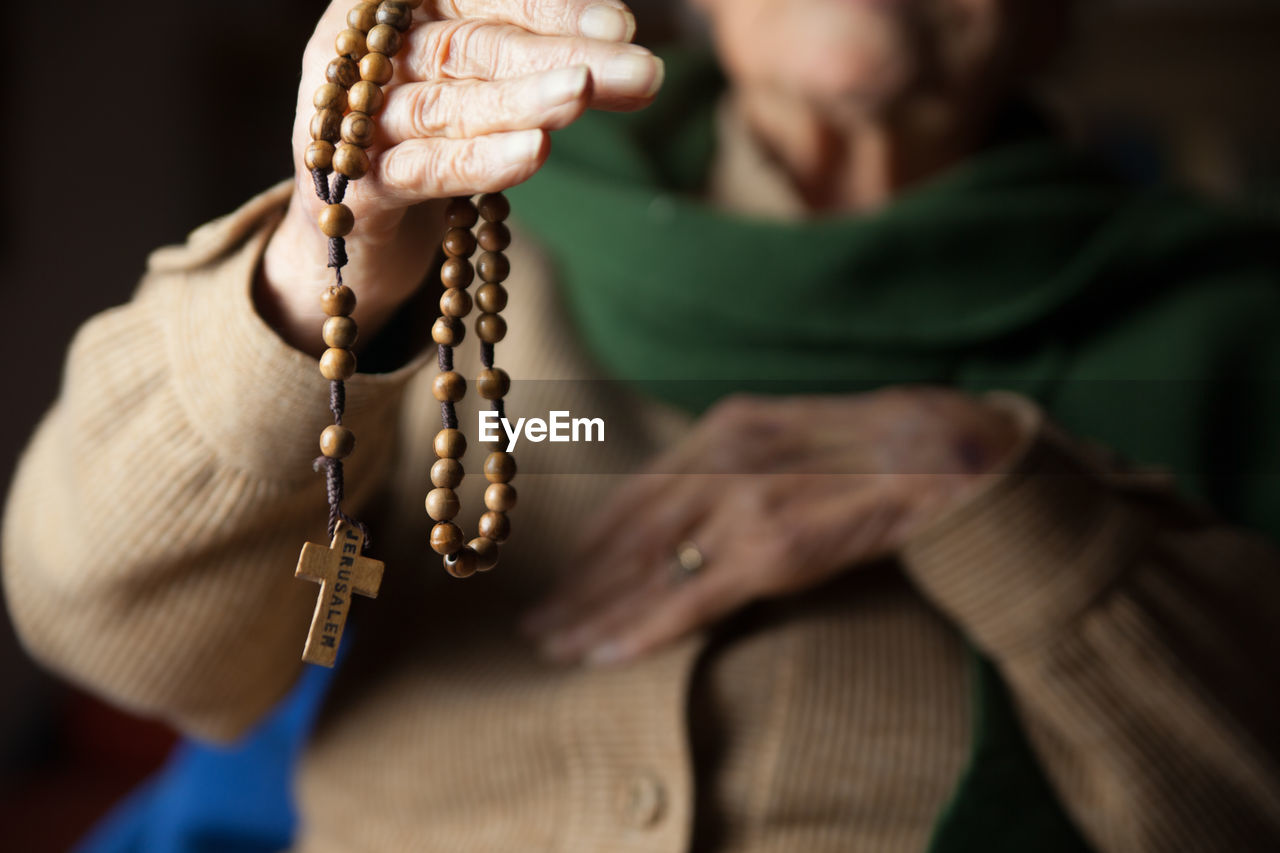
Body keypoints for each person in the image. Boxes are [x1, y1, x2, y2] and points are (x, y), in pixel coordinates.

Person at [5, 0, 1280, 850]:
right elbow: (110, 627)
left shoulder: (1228, 320)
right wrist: (323, 261)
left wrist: (1003, 491)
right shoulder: (468, 228)